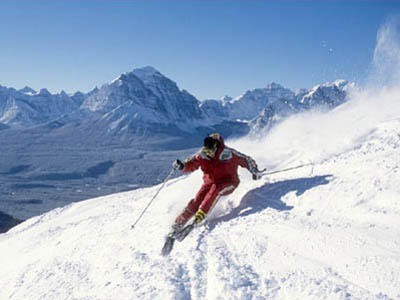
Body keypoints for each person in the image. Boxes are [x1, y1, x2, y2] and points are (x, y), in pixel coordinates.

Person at [170, 133, 263, 235]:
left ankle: (200, 215)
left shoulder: (228, 154)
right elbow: (190, 164)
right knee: (198, 199)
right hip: (209, 182)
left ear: (216, 147)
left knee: (215, 190)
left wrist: (254, 170)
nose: (209, 153)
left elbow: (245, 159)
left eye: (211, 151)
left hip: (229, 182)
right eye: (207, 150)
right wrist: (182, 166)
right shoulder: (202, 155)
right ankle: (180, 221)